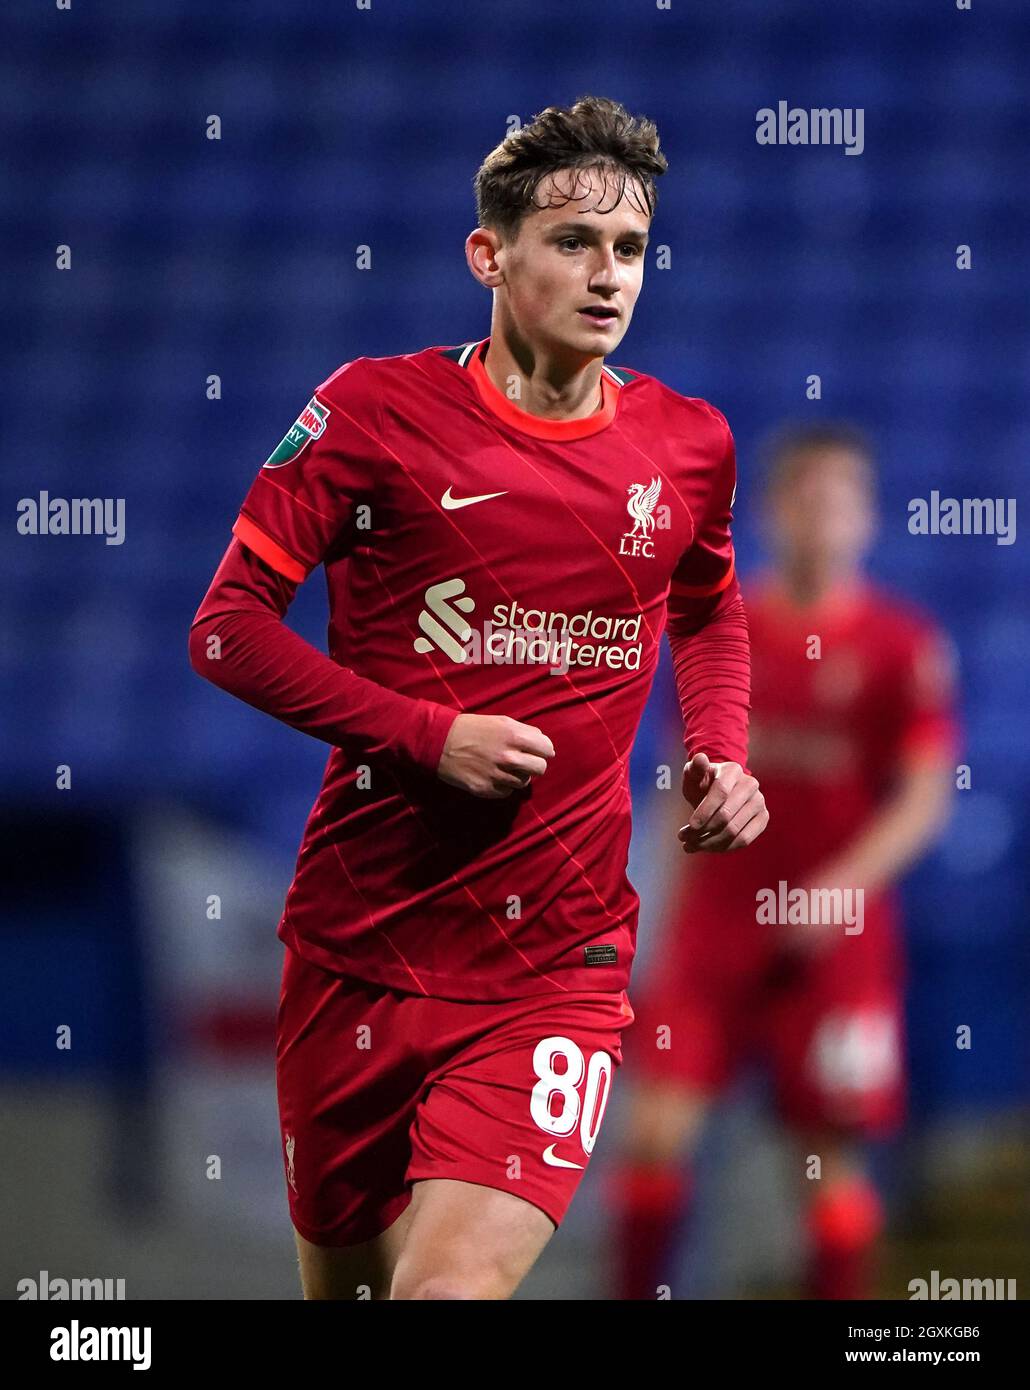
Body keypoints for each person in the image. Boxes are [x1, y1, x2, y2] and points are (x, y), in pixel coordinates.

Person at [188, 95, 768, 1301]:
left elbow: (707, 604)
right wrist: (424, 734)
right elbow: (227, 629)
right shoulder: (373, 415)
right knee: (345, 1287)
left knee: (443, 1294)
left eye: (631, 250)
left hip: (557, 960)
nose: (608, 275)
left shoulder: (688, 445)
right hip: (360, 944)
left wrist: (718, 746)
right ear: (489, 255)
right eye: (572, 243)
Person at [611, 423, 958, 1300]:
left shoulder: (900, 645)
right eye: (804, 495)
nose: (821, 515)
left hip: (836, 939)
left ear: (869, 518)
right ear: (770, 510)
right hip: (717, 928)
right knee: (654, 1136)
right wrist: (657, 914)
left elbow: (924, 795)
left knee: (825, 1166)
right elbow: (677, 789)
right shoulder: (721, 630)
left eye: (840, 497)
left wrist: (840, 888)